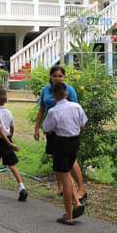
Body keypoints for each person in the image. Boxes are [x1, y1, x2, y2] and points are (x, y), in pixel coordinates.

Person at [34, 65, 87, 202]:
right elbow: (41, 110)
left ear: (64, 77)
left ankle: (81, 189)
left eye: (60, 76)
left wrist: (76, 130)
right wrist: (36, 128)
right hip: (52, 130)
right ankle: (61, 187)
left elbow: (76, 110)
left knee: (71, 161)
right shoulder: (45, 90)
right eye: (55, 76)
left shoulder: (69, 90)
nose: (58, 78)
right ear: (50, 77)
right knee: (56, 157)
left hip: (66, 132)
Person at [43, 83, 87, 225]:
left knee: (65, 177)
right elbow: (83, 123)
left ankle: (69, 215)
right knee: (66, 173)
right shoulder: (76, 107)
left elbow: (47, 128)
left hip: (61, 143)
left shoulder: (53, 111)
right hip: (75, 142)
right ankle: (77, 203)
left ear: (54, 95)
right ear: (66, 93)